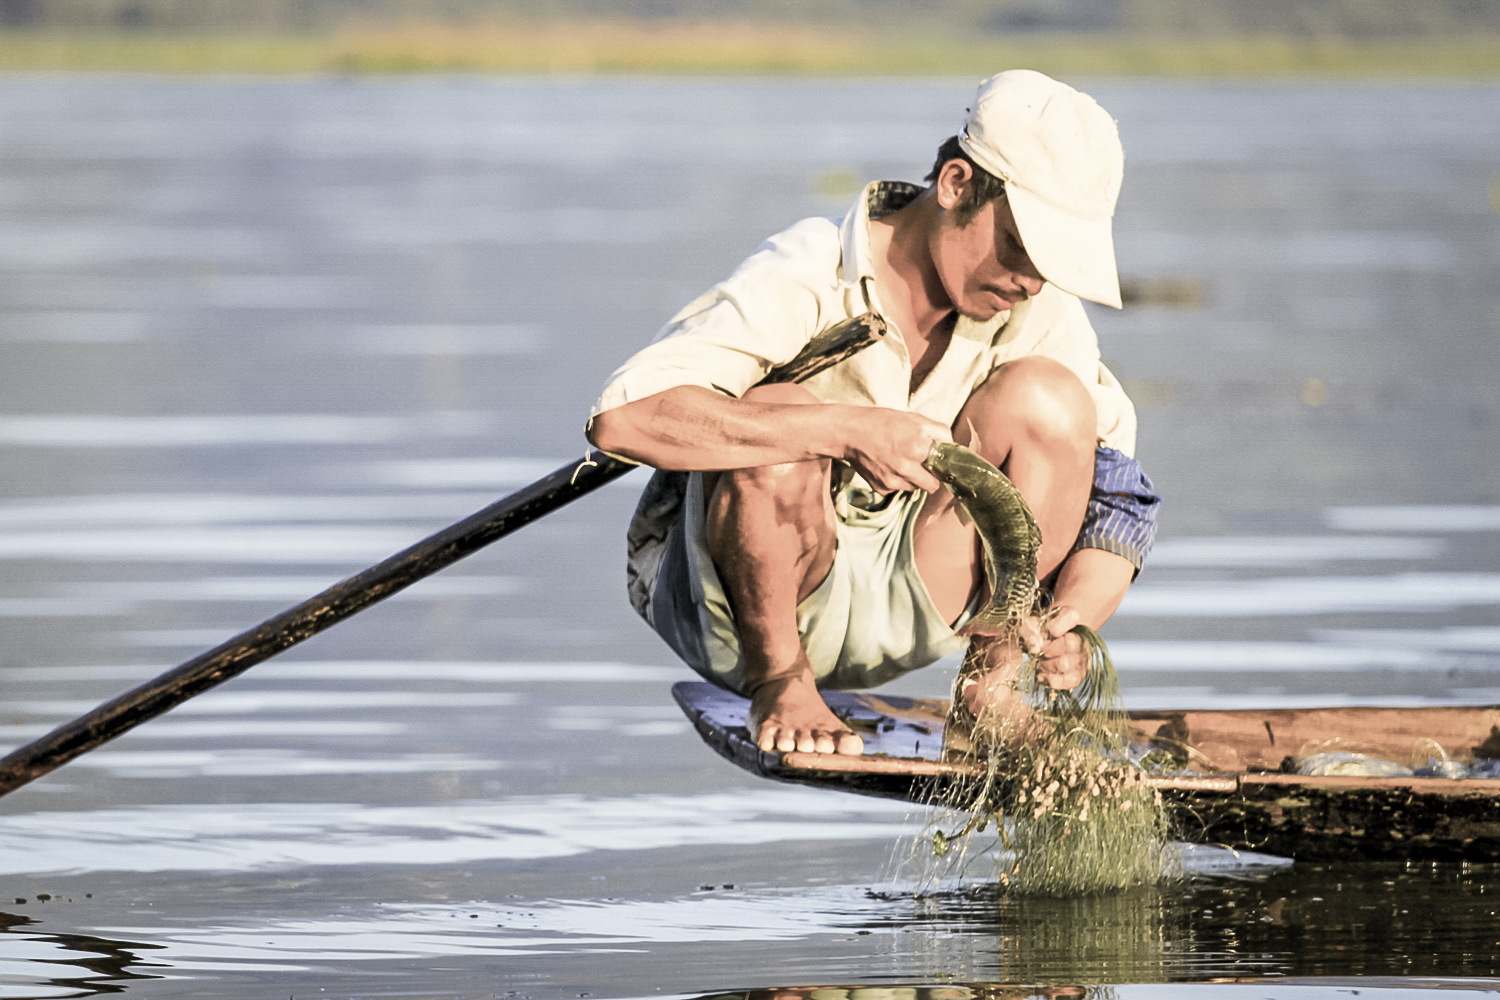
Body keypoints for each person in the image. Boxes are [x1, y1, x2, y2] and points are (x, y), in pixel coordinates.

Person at [586, 70, 1160, 757]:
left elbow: (1119, 498)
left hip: (916, 601)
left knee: (1053, 401)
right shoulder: (808, 269)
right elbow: (624, 420)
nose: (1029, 281)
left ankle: (989, 696)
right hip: (741, 609)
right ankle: (785, 680)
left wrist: (1074, 619)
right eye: (1020, 248)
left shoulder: (1035, 309)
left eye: (1049, 265)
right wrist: (845, 430)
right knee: (779, 416)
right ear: (956, 185)